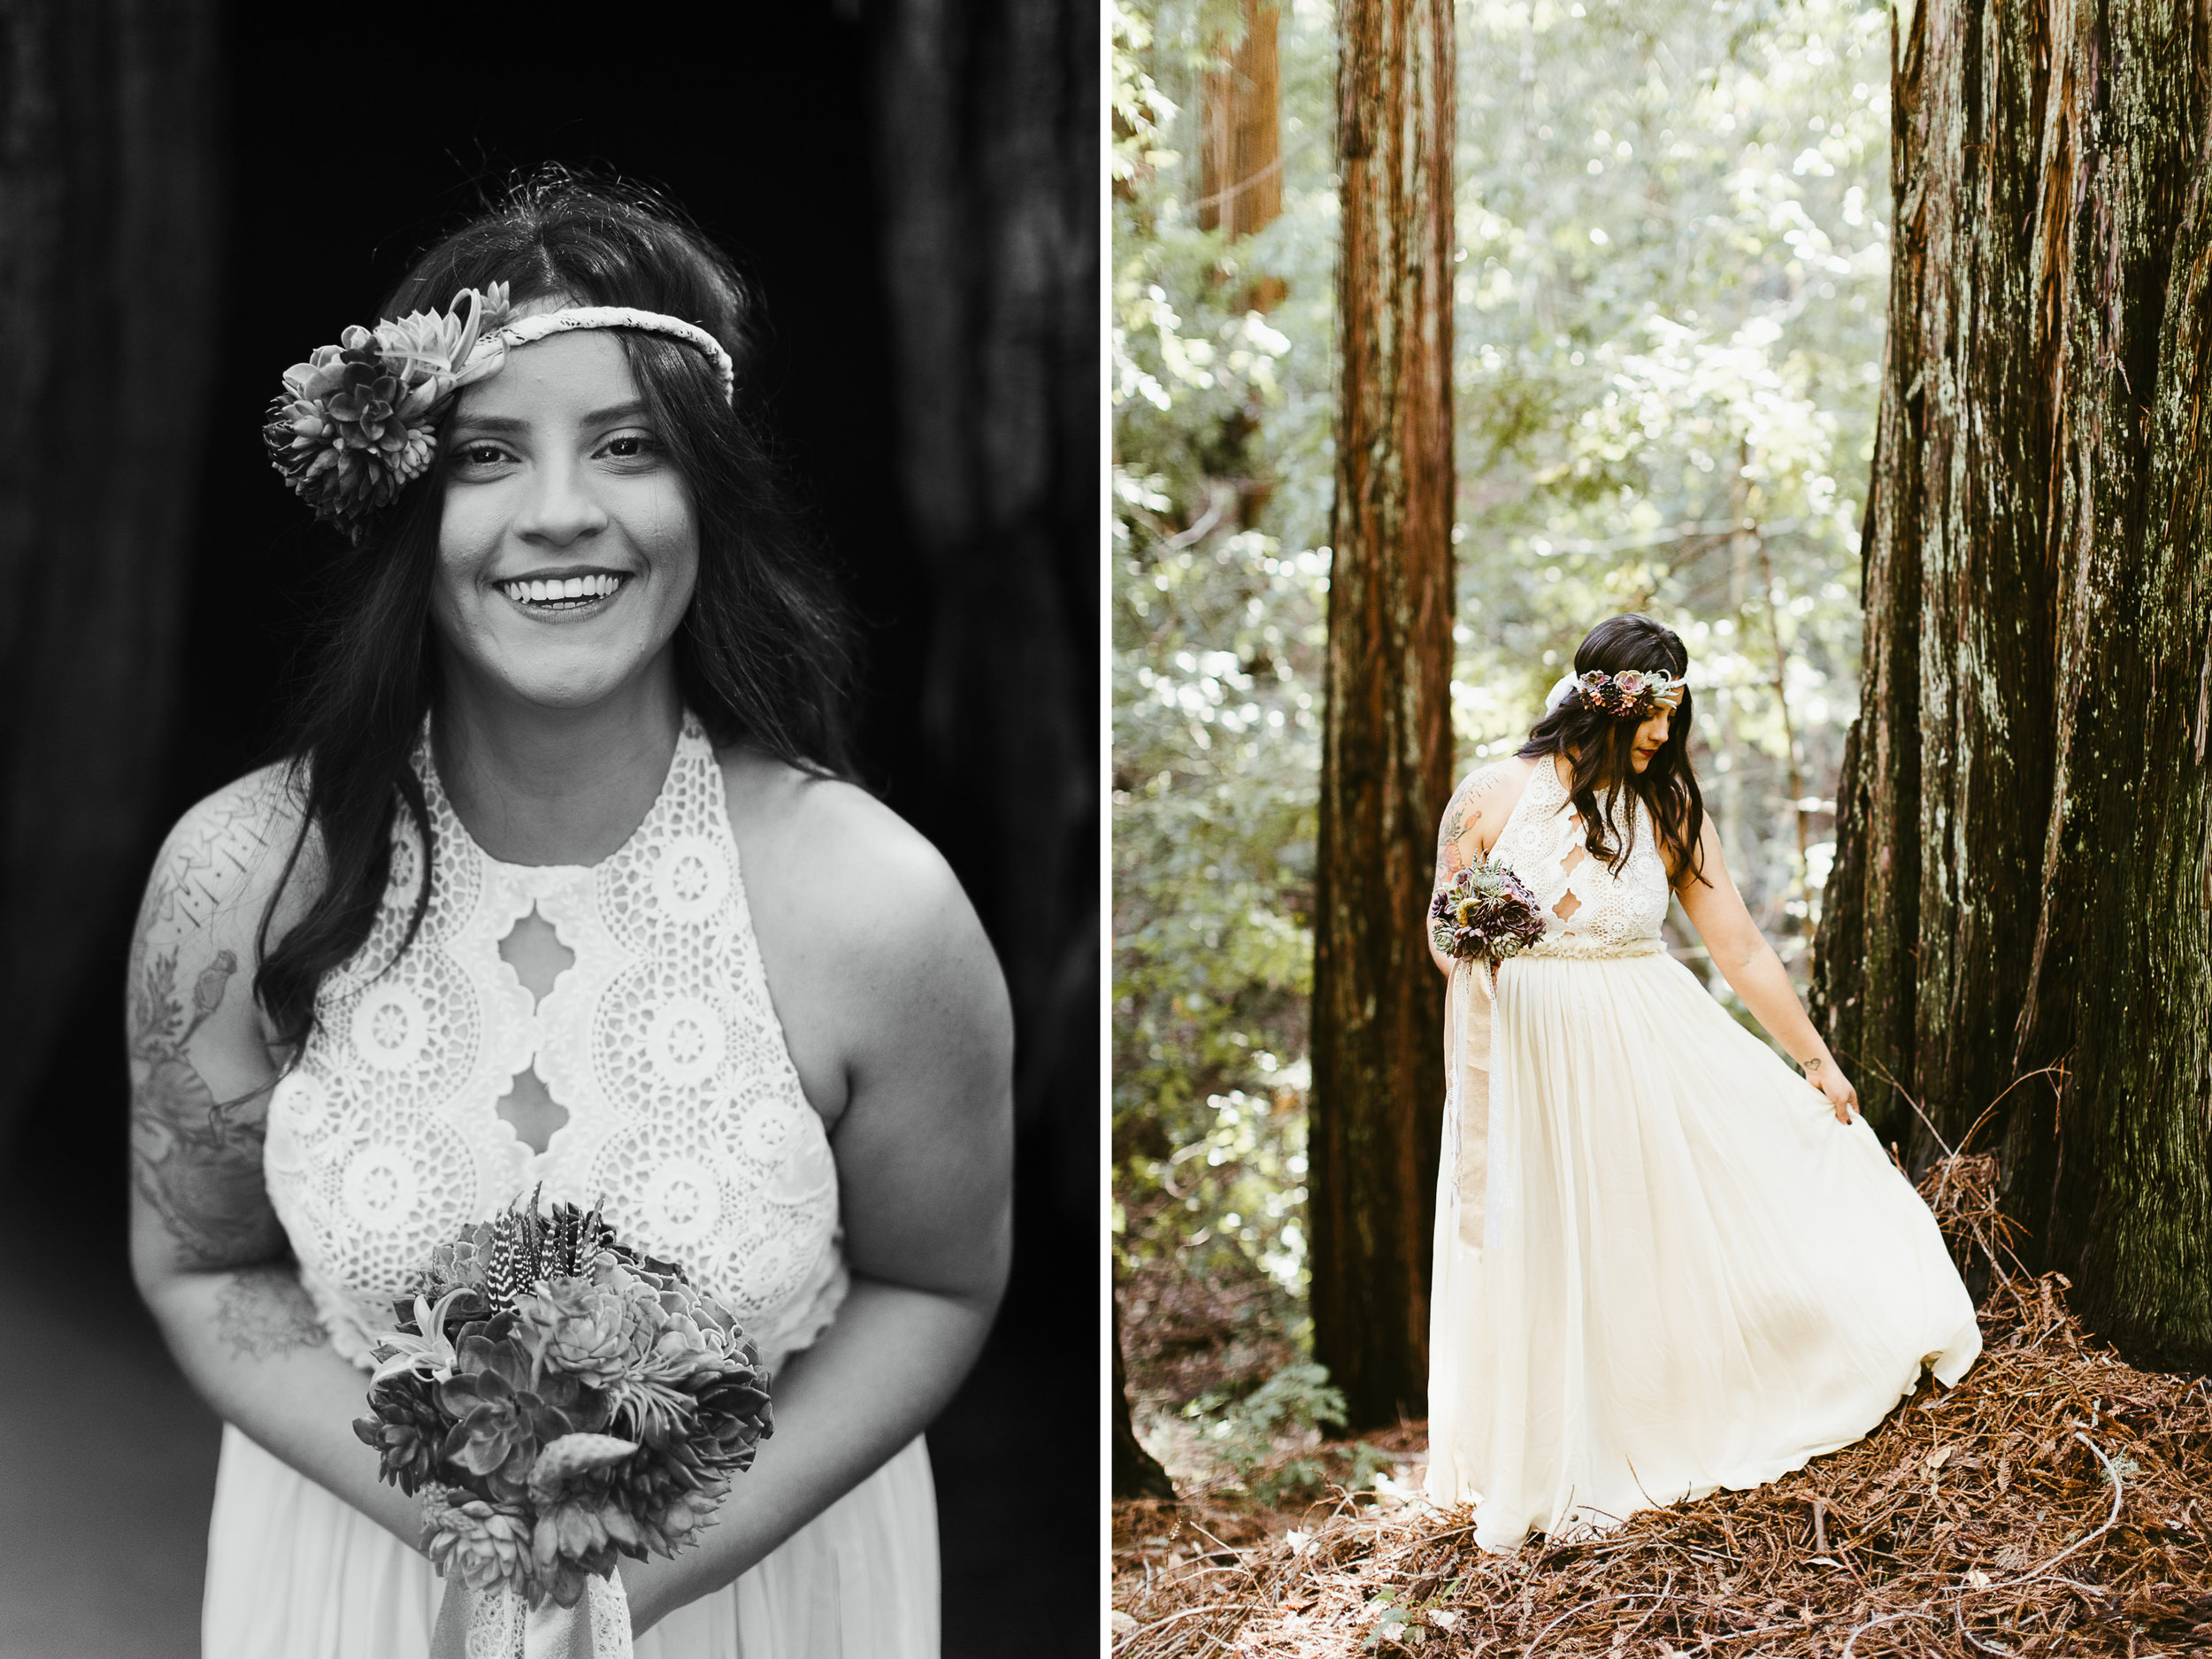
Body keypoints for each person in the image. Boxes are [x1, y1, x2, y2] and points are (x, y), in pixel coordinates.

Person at [125, 174, 1012, 1656]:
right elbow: (202, 1267)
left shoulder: (880, 907)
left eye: (627, 447)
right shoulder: (237, 880)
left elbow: (938, 1282)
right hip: (358, 1587)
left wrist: (629, 1581)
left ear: (707, 495)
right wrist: (477, 1547)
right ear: (411, 501)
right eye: (488, 454)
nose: (560, 513)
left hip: (751, 1600)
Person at [1421, 613, 1978, 1550]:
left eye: (1671, 716)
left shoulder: (1669, 811)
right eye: (1648, 713)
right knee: (1550, 1242)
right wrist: (1484, 947)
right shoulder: (1489, 795)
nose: (1660, 735)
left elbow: (1743, 951)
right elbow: (1442, 937)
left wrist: (1814, 1059)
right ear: (1599, 704)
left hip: (1646, 1048)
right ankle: (1550, 1451)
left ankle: (1664, 1420)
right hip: (1528, 1059)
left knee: (1650, 1232)